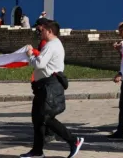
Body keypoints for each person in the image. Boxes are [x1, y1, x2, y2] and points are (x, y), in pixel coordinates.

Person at [19, 20, 84, 158]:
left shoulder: (51, 45)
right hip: (44, 86)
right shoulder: (54, 44)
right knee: (37, 118)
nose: (40, 32)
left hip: (49, 87)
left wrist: (30, 55)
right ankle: (37, 151)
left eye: (42, 30)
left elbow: (40, 64)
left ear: (49, 31)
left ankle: (73, 140)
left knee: (45, 117)